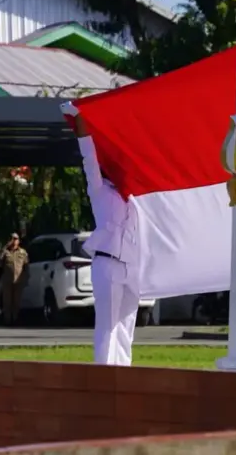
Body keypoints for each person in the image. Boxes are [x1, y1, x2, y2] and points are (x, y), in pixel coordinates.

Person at [60, 101, 140, 366]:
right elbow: (88, 158)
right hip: (106, 262)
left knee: (126, 326)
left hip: (132, 264)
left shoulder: (135, 196)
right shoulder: (99, 189)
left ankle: (123, 371)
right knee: (107, 324)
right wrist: (81, 119)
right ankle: (105, 372)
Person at [0, 233, 29, 325]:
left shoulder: (23, 252)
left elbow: (26, 266)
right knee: (7, 302)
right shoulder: (6, 252)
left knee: (17, 302)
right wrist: (5, 248)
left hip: (19, 281)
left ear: (18, 241)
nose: (14, 241)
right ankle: (7, 320)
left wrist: (26, 278)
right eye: (12, 239)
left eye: (16, 239)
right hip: (7, 280)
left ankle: (15, 320)